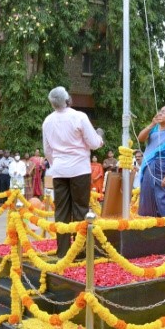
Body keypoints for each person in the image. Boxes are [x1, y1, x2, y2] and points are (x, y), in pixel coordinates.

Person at [42, 86, 104, 259]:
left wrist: (57, 164)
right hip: (79, 170)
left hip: (59, 171)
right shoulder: (79, 116)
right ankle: (79, 250)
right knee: (80, 209)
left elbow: (47, 150)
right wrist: (100, 138)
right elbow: (93, 143)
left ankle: (63, 252)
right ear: (68, 100)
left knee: (61, 211)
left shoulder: (47, 121)